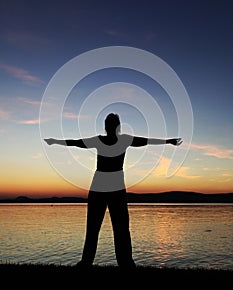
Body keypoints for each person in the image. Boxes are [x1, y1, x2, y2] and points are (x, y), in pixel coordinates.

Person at [44, 113, 182, 269]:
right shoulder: (107, 140)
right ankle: (89, 262)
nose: (110, 127)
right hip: (102, 187)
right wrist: (57, 141)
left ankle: (124, 263)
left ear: (115, 126)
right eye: (109, 124)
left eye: (111, 124)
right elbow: (77, 143)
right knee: (97, 227)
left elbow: (145, 141)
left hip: (112, 187)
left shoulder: (121, 140)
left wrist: (167, 141)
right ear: (111, 126)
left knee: (120, 227)